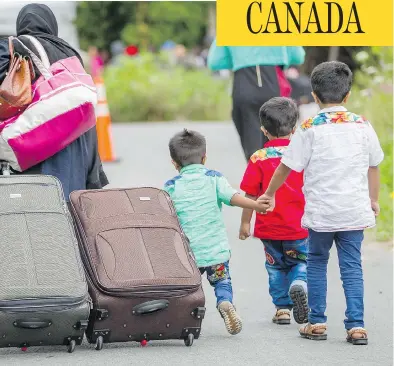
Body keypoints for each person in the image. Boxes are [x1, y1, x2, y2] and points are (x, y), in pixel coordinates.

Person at [259, 61, 384, 345]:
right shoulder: (362, 125)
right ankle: (356, 326)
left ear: (314, 96)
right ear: (348, 95)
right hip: (353, 210)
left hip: (321, 214)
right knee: (352, 267)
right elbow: (373, 165)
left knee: (316, 263)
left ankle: (317, 323)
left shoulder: (309, 127)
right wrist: (373, 200)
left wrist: (270, 193)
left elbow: (286, 166)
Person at [164, 129, 269, 335]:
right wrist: (256, 205)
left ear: (174, 163)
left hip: (186, 254)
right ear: (204, 158)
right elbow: (233, 197)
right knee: (222, 281)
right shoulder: (214, 179)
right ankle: (225, 302)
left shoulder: (171, 187)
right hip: (215, 252)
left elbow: (162, 215)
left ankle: (186, 318)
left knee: (188, 288)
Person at [0, 4, 108, 199]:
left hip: (36, 153)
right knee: (68, 216)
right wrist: (94, 173)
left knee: (37, 219)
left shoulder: (11, 48)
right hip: (76, 154)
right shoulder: (71, 54)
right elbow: (85, 110)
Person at [239, 97, 309, 326]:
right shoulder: (302, 156)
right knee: (301, 262)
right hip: (299, 226)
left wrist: (245, 224)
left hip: (268, 228)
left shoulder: (258, 158)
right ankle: (299, 282)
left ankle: (282, 309)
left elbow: (249, 195)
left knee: (275, 266)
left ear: (263, 130)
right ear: (295, 128)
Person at [207, 42, 305, 161]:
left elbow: (214, 61)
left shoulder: (230, 24)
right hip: (272, 80)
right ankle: (274, 175)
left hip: (243, 82)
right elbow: (298, 56)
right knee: (276, 144)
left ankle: (255, 173)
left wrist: (239, 59)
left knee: (252, 147)